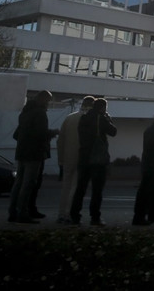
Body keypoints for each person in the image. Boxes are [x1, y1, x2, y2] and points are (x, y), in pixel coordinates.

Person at [70, 97, 118, 226]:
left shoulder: (84, 118)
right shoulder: (101, 119)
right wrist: (108, 118)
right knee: (97, 190)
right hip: (98, 159)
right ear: (103, 108)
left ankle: (75, 216)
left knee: (81, 188)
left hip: (84, 157)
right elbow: (113, 131)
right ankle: (95, 217)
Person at [9, 91, 53, 224]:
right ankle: (22, 213)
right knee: (28, 184)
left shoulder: (25, 113)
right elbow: (40, 133)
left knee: (18, 184)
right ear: (44, 100)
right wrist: (52, 133)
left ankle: (13, 212)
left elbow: (16, 134)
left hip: (22, 152)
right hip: (34, 153)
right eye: (48, 101)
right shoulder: (40, 113)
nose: (48, 104)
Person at [56, 96, 94, 224]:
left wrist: (60, 158)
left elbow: (60, 140)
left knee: (66, 186)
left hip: (68, 156)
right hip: (82, 157)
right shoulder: (91, 120)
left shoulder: (70, 118)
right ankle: (69, 213)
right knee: (75, 186)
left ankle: (61, 213)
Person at [132, 108, 154, 226]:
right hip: (151, 165)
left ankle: (152, 215)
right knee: (146, 192)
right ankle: (140, 216)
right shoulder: (152, 131)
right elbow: (151, 146)